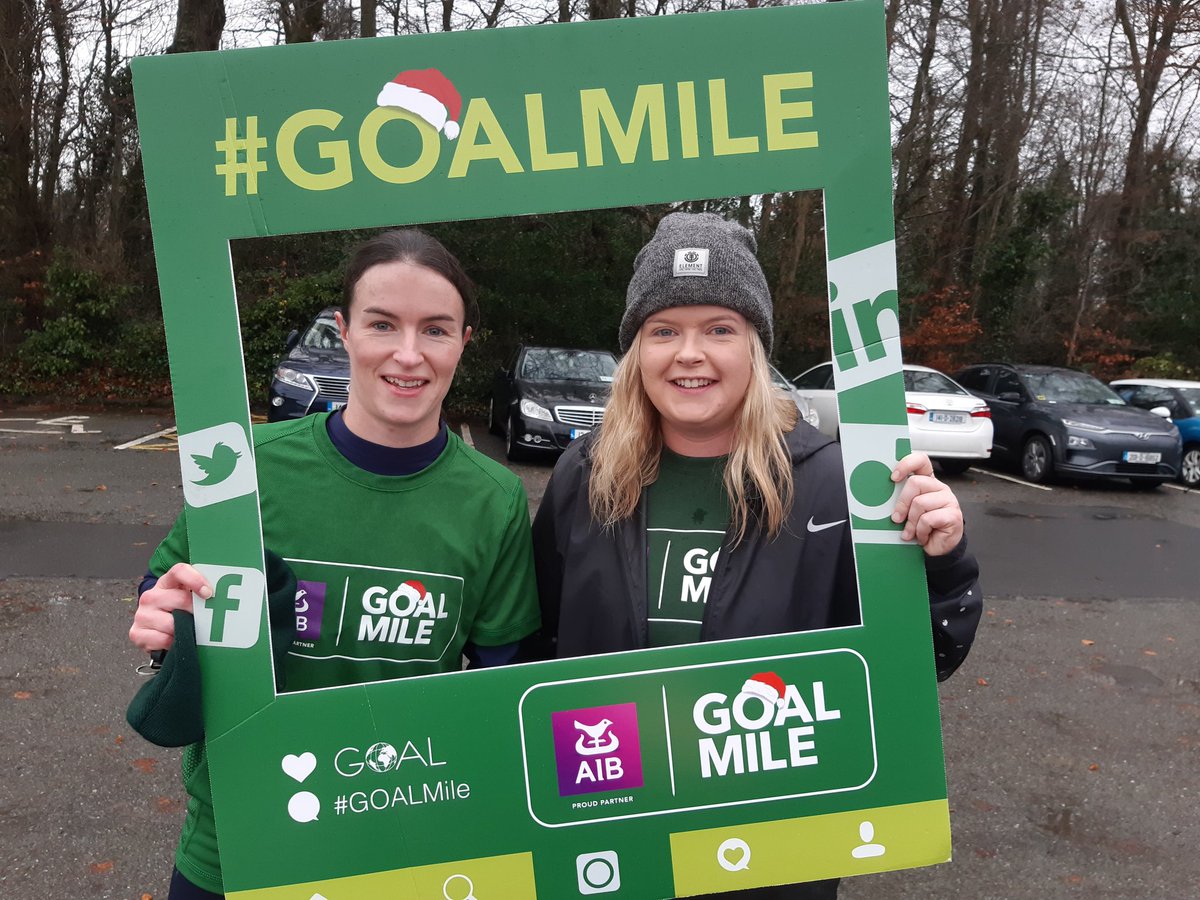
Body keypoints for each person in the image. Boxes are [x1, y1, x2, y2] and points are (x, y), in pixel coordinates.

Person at [532, 212, 981, 899]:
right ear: (636, 351)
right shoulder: (585, 476)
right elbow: (540, 653)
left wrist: (941, 563)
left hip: (770, 849)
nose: (690, 353)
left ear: (755, 348)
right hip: (612, 833)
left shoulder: (836, 483)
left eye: (719, 329)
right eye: (664, 331)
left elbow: (910, 667)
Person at [127, 229, 541, 899]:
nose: (408, 355)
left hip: (402, 836)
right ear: (344, 331)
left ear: (465, 342)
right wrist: (161, 619)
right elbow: (168, 595)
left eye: (435, 329)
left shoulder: (494, 500)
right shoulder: (248, 464)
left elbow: (500, 683)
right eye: (383, 324)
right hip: (237, 832)